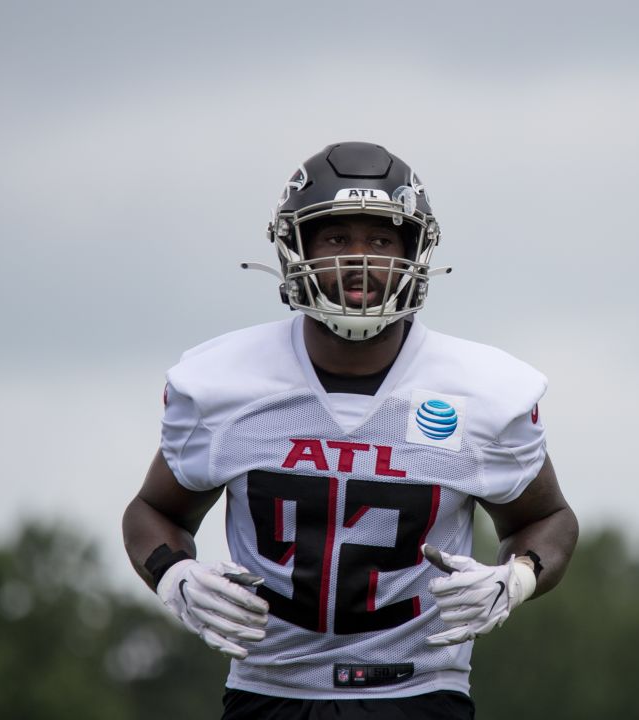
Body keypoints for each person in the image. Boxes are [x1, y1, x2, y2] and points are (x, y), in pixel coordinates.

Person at [122, 141, 578, 719]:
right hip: (270, 695)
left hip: (421, 696)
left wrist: (517, 577)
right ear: (297, 248)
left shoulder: (481, 392)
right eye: (337, 239)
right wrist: (173, 575)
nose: (360, 260)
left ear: (414, 253)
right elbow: (153, 511)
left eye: (382, 241)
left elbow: (547, 519)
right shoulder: (225, 382)